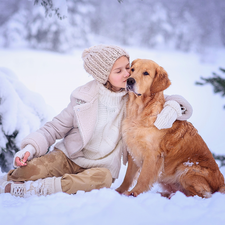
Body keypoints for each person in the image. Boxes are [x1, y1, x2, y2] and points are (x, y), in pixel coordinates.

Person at [0, 45, 193, 197]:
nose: (128, 75)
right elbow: (54, 129)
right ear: (104, 76)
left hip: (101, 167)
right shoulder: (83, 97)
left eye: (128, 67)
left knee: (102, 180)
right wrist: (30, 148)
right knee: (28, 171)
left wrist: (174, 106)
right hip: (69, 157)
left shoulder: (131, 98)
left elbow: (164, 99)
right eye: (120, 71)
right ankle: (8, 182)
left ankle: (39, 189)